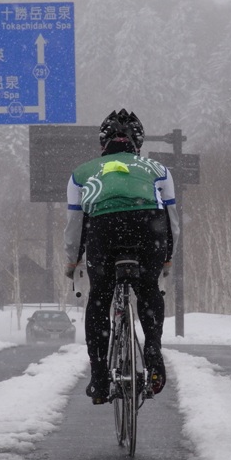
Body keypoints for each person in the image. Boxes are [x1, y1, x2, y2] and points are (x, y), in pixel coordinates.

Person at [64, 109, 180, 404]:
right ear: (137, 144)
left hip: (104, 230)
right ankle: (153, 356)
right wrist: (167, 258)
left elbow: (75, 225)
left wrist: (72, 261)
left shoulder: (81, 173)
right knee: (149, 290)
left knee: (100, 298)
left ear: (103, 145)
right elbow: (172, 221)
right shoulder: (158, 169)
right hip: (148, 226)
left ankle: (100, 377)